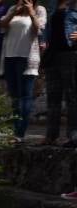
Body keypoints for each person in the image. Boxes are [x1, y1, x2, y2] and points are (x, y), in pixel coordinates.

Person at [1, 0, 47, 142]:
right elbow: (2, 26)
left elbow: (39, 29)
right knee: (14, 96)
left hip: (27, 58)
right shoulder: (13, 9)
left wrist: (31, 12)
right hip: (9, 57)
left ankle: (20, 133)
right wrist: (15, 11)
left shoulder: (39, 10)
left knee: (25, 96)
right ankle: (15, 130)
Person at [42, 0, 77, 146]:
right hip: (52, 56)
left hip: (71, 54)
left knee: (72, 97)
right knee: (53, 99)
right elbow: (47, 29)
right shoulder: (52, 5)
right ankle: (51, 136)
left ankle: (73, 137)